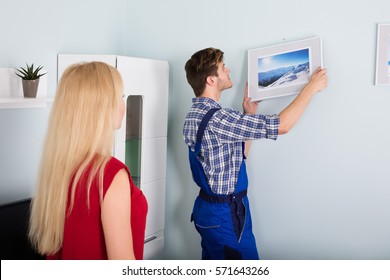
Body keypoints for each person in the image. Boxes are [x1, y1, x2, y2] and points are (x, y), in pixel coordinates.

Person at [183, 47, 327, 260]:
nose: (228, 70)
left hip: (209, 211)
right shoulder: (219, 119)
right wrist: (311, 88)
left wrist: (248, 114)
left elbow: (235, 158)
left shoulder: (194, 114)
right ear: (211, 80)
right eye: (223, 68)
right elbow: (282, 125)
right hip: (225, 215)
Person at [28, 62, 148, 260]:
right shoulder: (111, 174)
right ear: (100, 108)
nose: (122, 105)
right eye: (119, 96)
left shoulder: (57, 166)